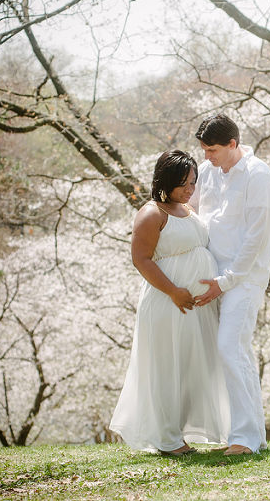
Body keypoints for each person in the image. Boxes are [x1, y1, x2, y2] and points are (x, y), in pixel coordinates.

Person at [109, 150, 230, 456]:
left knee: (190, 368)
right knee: (167, 367)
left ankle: (182, 433)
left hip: (195, 307)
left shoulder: (186, 208)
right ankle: (167, 440)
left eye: (193, 182)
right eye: (184, 183)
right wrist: (174, 290)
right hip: (168, 303)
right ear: (166, 180)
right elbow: (141, 259)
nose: (190, 189)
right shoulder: (152, 213)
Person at [191, 113, 270, 456]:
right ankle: (250, 436)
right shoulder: (208, 171)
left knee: (230, 347)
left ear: (232, 144)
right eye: (203, 149)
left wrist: (226, 281)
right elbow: (193, 210)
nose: (206, 156)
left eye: (212, 149)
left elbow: (256, 237)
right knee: (234, 353)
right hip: (210, 274)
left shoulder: (258, 174)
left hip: (243, 278)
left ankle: (244, 439)